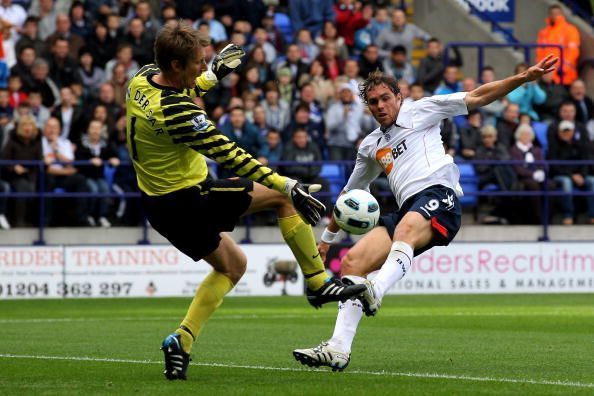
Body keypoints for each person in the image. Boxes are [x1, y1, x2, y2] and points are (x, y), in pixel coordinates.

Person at [125, 22, 365, 381]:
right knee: (283, 201)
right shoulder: (178, 114)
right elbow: (231, 154)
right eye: (197, 63)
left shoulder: (141, 80)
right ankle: (317, 282)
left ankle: (182, 340)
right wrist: (287, 184)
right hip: (190, 198)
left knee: (233, 266)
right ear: (176, 65)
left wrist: (212, 75)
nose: (201, 67)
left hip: (158, 206)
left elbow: (182, 90)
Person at [293, 55, 559, 371]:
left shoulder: (422, 110)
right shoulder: (370, 146)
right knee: (353, 262)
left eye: (385, 99)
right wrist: (326, 240)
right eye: (373, 102)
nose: (380, 106)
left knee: (405, 228)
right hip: (408, 209)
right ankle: (338, 347)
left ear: (399, 97)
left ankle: (376, 291)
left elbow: (477, 97)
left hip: (440, 197)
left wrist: (523, 78)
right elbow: (348, 194)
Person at [536, 4, 580, 85]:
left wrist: (562, 69)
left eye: (557, 13)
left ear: (562, 14)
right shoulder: (543, 32)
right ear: (549, 15)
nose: (555, 16)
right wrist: (541, 69)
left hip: (564, 75)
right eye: (552, 14)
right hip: (546, 75)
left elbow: (573, 52)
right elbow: (539, 53)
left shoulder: (570, 30)